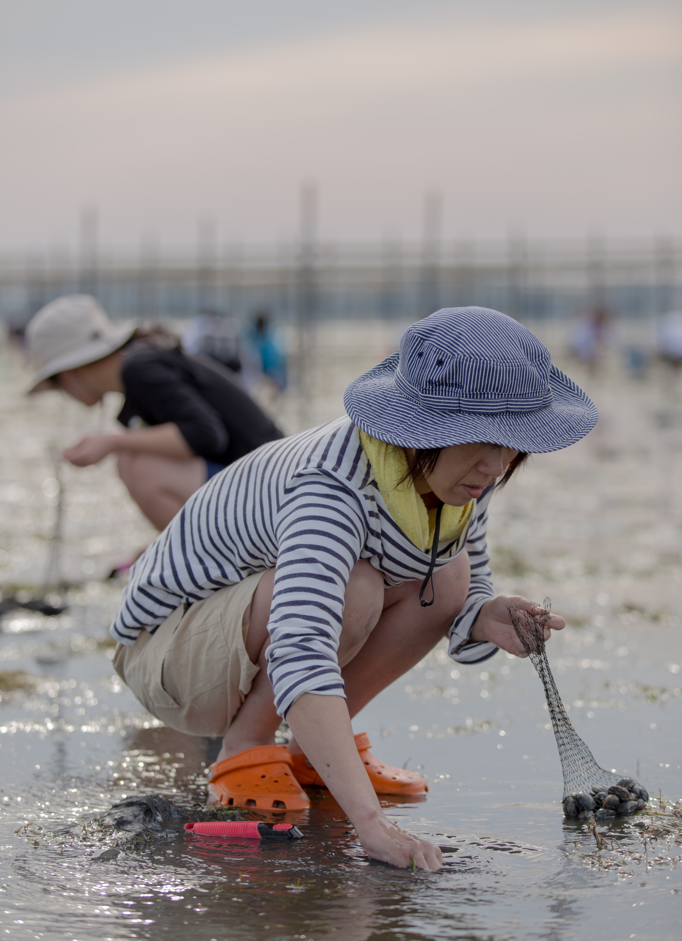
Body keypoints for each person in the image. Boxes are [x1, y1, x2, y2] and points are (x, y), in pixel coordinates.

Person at [110, 307, 597, 871]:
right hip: (169, 655)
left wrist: (482, 615)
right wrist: (371, 825)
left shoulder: (464, 473)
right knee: (356, 587)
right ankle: (244, 750)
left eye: (513, 442)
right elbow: (301, 646)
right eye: (479, 436)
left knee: (451, 576)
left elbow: (470, 570)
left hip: (245, 637)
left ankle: (309, 755)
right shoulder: (331, 486)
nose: (496, 462)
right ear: (422, 427)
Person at [25, 295, 283, 530]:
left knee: (140, 465)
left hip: (273, 494)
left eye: (57, 384)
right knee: (132, 458)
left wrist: (111, 442)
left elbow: (206, 434)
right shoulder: (138, 370)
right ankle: (179, 551)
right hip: (255, 489)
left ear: (70, 372)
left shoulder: (139, 369)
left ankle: (201, 562)